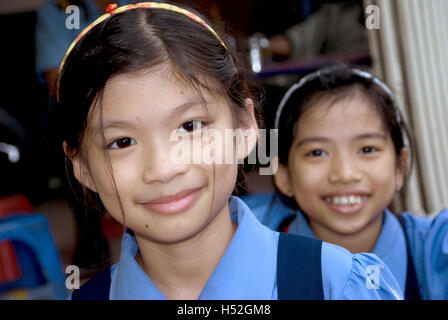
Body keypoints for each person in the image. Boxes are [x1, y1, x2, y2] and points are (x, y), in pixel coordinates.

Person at [55, 3, 403, 300]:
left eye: (190, 126)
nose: (163, 167)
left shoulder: (334, 284)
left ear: (244, 128)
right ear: (82, 166)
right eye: (122, 142)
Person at [242, 64, 448, 300]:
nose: (345, 173)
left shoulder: (436, 252)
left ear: (400, 166)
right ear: (284, 176)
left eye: (367, 149)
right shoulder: (252, 268)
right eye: (317, 152)